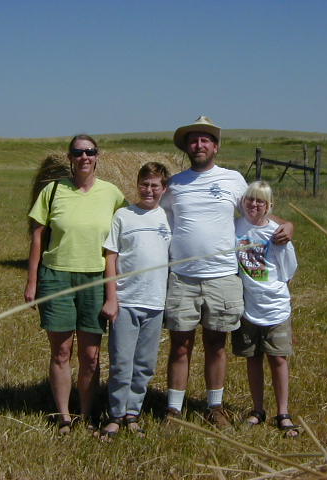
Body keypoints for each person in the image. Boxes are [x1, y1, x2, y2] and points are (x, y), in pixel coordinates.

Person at [161, 115, 294, 428]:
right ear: (187, 147)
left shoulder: (233, 179)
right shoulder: (175, 184)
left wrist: (288, 225)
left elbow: (258, 211)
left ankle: (215, 407)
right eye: (194, 140)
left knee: (216, 343)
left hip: (222, 275)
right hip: (183, 277)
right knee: (180, 344)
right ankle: (173, 410)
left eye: (206, 139)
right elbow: (160, 223)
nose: (199, 144)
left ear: (216, 147)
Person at [25, 134, 125, 434]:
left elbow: (128, 230)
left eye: (90, 152)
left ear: (98, 156)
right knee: (61, 351)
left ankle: (87, 413)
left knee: (91, 355)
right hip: (56, 276)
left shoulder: (113, 194)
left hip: (95, 278)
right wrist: (32, 280)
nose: (84, 157)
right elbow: (38, 236)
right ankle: (64, 415)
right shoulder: (53, 191)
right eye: (78, 152)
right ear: (69, 157)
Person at [98, 162, 172, 439]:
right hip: (126, 301)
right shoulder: (124, 216)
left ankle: (133, 413)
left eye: (155, 186)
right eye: (144, 184)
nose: (149, 190)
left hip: (155, 303)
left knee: (145, 363)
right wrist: (111, 298)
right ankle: (115, 415)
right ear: (137, 184)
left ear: (164, 189)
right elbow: (111, 257)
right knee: (121, 362)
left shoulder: (167, 218)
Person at [232, 181, 300, 437]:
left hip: (274, 307)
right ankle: (257, 409)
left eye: (261, 201)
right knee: (253, 358)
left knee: (278, 359)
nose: (254, 205)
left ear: (269, 206)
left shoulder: (277, 234)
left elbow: (287, 272)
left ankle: (283, 412)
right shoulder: (237, 227)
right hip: (247, 306)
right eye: (250, 199)